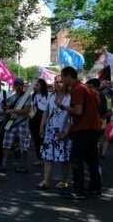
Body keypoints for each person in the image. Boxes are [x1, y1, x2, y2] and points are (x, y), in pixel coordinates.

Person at [60, 67, 102, 199]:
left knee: (76, 159)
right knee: (91, 160)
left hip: (83, 129)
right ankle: (95, 188)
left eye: (62, 77)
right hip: (93, 128)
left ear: (68, 76)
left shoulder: (78, 89)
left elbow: (78, 111)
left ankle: (78, 190)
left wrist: (64, 107)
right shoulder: (88, 89)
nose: (62, 80)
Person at [38, 75, 72, 190]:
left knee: (64, 158)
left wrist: (67, 132)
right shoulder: (50, 96)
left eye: (61, 82)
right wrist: (42, 126)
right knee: (48, 156)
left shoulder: (70, 97)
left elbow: (72, 117)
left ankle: (64, 181)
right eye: (56, 82)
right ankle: (46, 180)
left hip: (63, 129)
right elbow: (46, 112)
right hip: (50, 129)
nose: (58, 84)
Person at [1, 78, 32, 173]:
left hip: (22, 123)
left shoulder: (27, 96)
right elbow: (6, 105)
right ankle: (4, 164)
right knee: (6, 144)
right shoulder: (12, 97)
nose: (18, 87)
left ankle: (24, 165)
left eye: (20, 85)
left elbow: (26, 111)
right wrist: (5, 107)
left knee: (24, 146)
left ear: (22, 86)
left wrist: (12, 110)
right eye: (16, 85)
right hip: (11, 123)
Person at [29, 79, 49, 166]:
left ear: (42, 86)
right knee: (37, 140)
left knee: (44, 140)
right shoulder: (32, 96)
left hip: (44, 120)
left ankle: (46, 158)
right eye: (34, 85)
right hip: (33, 120)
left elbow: (47, 110)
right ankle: (39, 158)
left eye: (37, 85)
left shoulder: (47, 96)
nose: (35, 87)